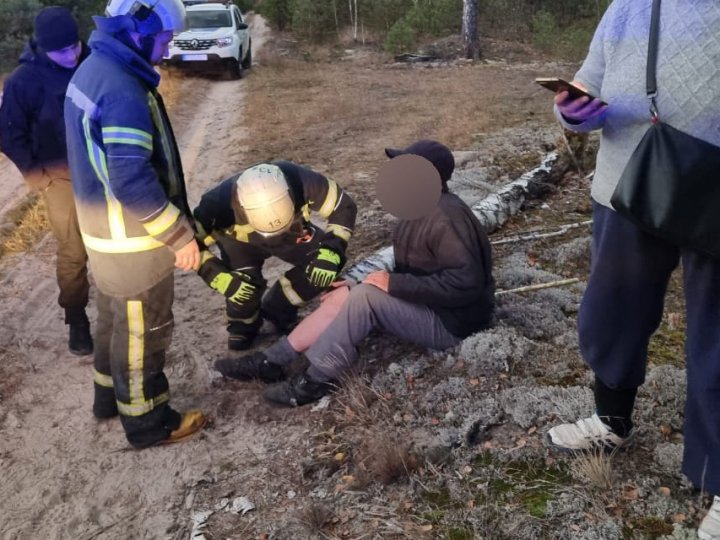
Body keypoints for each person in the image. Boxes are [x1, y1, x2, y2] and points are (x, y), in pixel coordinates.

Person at [544, 2, 720, 537]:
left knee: (716, 337)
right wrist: (573, 110)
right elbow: (585, 81)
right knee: (612, 313)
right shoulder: (627, 6)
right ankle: (611, 420)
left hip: (713, 189)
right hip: (625, 181)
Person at [215, 140, 496, 407]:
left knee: (364, 298)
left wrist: (392, 284)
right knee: (346, 294)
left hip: (454, 325)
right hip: (433, 307)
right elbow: (418, 270)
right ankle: (271, 361)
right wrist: (357, 283)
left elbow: (465, 283)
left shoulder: (447, 218)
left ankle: (317, 379)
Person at [64, 0, 206, 448]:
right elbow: (131, 179)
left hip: (103, 236)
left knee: (111, 320)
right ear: (138, 29)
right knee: (145, 330)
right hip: (133, 242)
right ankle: (149, 421)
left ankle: (107, 398)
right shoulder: (122, 87)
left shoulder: (93, 69)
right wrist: (178, 235)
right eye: (163, 38)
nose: (166, 50)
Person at [0, 6, 93, 355]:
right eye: (61, 50)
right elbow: (10, 134)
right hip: (61, 178)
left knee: (117, 238)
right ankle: (77, 319)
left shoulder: (92, 61)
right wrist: (39, 177)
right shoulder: (24, 80)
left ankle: (124, 303)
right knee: (73, 250)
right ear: (42, 46)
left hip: (103, 168)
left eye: (74, 47)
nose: (70, 55)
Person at [193, 161, 357, 350]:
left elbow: (343, 206)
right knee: (241, 287)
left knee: (322, 269)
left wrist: (331, 251)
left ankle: (277, 309)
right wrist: (216, 276)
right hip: (239, 243)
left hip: (292, 234)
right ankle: (243, 325)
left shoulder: (302, 180)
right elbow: (185, 244)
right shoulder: (216, 203)